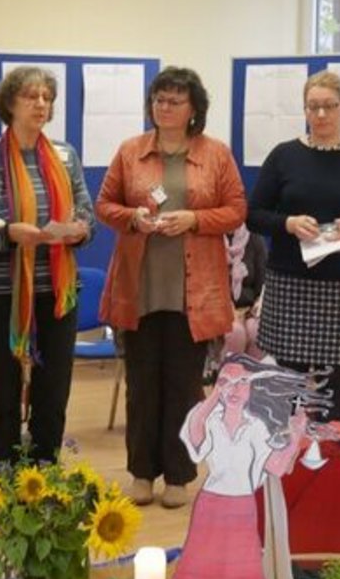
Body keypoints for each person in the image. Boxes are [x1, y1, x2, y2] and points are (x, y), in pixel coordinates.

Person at [96, 67, 246, 509]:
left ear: (193, 108)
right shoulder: (131, 151)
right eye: (159, 99)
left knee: (183, 386)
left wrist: (195, 219)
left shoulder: (216, 153)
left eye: (175, 101)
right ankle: (142, 473)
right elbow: (104, 204)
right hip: (139, 289)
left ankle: (179, 476)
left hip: (193, 294)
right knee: (142, 386)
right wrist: (133, 218)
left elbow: (237, 209)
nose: (164, 107)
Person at [247, 70, 340, 421]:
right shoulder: (284, 155)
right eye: (312, 106)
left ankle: (328, 448)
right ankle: (287, 451)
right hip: (290, 282)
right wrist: (288, 223)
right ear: (304, 110)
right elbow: (253, 215)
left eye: (329, 106)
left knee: (331, 382)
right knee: (287, 378)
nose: (320, 114)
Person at [0, 66, 95, 469]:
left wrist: (77, 231)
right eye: (31, 97)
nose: (40, 104)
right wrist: (10, 234)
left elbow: (86, 214)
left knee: (53, 391)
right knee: (3, 390)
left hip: (56, 291)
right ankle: (4, 481)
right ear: (9, 104)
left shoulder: (66, 156)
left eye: (47, 98)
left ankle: (43, 477)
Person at [167, 355, 333, 579]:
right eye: (225, 382)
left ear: (251, 388)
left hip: (242, 507)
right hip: (211, 504)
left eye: (242, 382)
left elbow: (275, 467)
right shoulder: (209, 420)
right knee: (201, 564)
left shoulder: (256, 427)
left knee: (243, 567)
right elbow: (194, 431)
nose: (233, 389)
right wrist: (214, 396)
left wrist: (295, 436)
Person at [223, 225, 267, 360]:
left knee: (256, 331)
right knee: (235, 332)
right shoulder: (211, 237)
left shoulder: (255, 238)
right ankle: (228, 372)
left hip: (248, 309)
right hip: (219, 307)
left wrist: (255, 307)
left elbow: (262, 284)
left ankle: (251, 373)